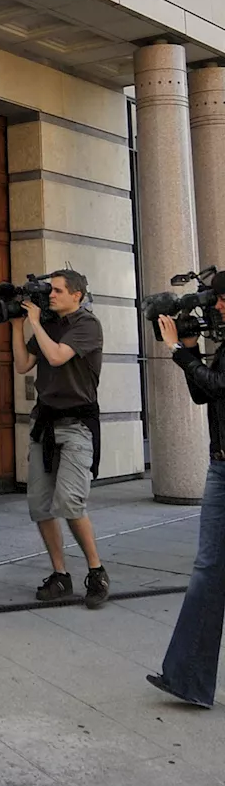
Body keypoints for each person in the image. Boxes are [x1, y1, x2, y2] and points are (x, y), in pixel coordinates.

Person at [147, 274, 225, 709]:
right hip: (220, 466)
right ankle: (188, 679)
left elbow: (218, 386)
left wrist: (179, 350)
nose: (218, 307)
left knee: (210, 570)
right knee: (208, 570)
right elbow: (204, 396)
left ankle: (188, 677)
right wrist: (190, 352)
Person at [11, 269, 109, 608]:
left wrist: (35, 321)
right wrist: (15, 323)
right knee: (40, 506)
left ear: (77, 295)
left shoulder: (87, 324)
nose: (50, 295)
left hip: (77, 424)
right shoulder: (48, 323)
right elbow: (24, 365)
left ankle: (96, 571)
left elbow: (55, 357)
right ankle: (60, 574)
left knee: (69, 503)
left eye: (57, 290)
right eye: (48, 290)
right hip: (45, 423)